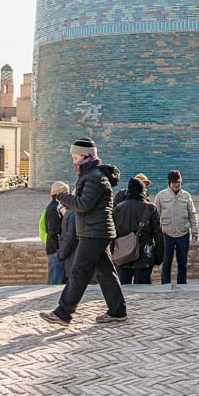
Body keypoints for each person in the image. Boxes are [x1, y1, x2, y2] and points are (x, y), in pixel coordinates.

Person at [39, 137, 127, 326]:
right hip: (96, 231)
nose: (73, 161)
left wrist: (63, 197)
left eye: (76, 157)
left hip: (94, 233)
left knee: (79, 272)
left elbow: (83, 204)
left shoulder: (94, 177)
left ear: (86, 157)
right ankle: (117, 311)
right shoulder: (91, 175)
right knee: (106, 273)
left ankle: (63, 313)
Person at [113, 177, 163, 285]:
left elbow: (113, 234)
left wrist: (113, 253)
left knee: (123, 289)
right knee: (143, 290)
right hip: (145, 256)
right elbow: (158, 235)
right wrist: (158, 257)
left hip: (123, 256)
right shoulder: (151, 208)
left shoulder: (118, 209)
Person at [154, 169, 198, 285]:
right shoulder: (161, 196)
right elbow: (156, 216)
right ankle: (165, 284)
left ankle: (182, 284)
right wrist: (156, 234)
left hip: (183, 233)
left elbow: (192, 214)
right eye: (174, 182)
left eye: (178, 182)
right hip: (166, 233)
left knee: (182, 263)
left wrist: (195, 230)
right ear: (169, 182)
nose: (176, 185)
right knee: (166, 262)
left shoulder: (186, 196)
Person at [44, 181, 68, 285]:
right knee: (55, 282)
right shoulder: (54, 209)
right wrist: (59, 249)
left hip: (56, 250)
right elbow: (53, 232)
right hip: (55, 252)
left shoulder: (56, 207)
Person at [56, 206, 78, 282]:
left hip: (71, 255)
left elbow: (70, 236)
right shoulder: (72, 214)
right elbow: (70, 237)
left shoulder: (70, 214)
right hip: (72, 255)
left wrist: (62, 253)